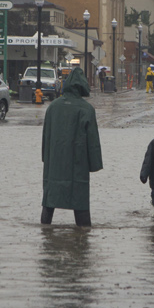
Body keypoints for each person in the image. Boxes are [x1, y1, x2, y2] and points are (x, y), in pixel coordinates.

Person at [41, 67, 103, 227]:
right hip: (78, 164)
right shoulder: (86, 109)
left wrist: (46, 158)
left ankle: (46, 232)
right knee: (80, 203)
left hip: (54, 164)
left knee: (49, 201)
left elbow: (46, 137)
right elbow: (93, 141)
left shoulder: (53, 107)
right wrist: (95, 164)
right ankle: (82, 234)